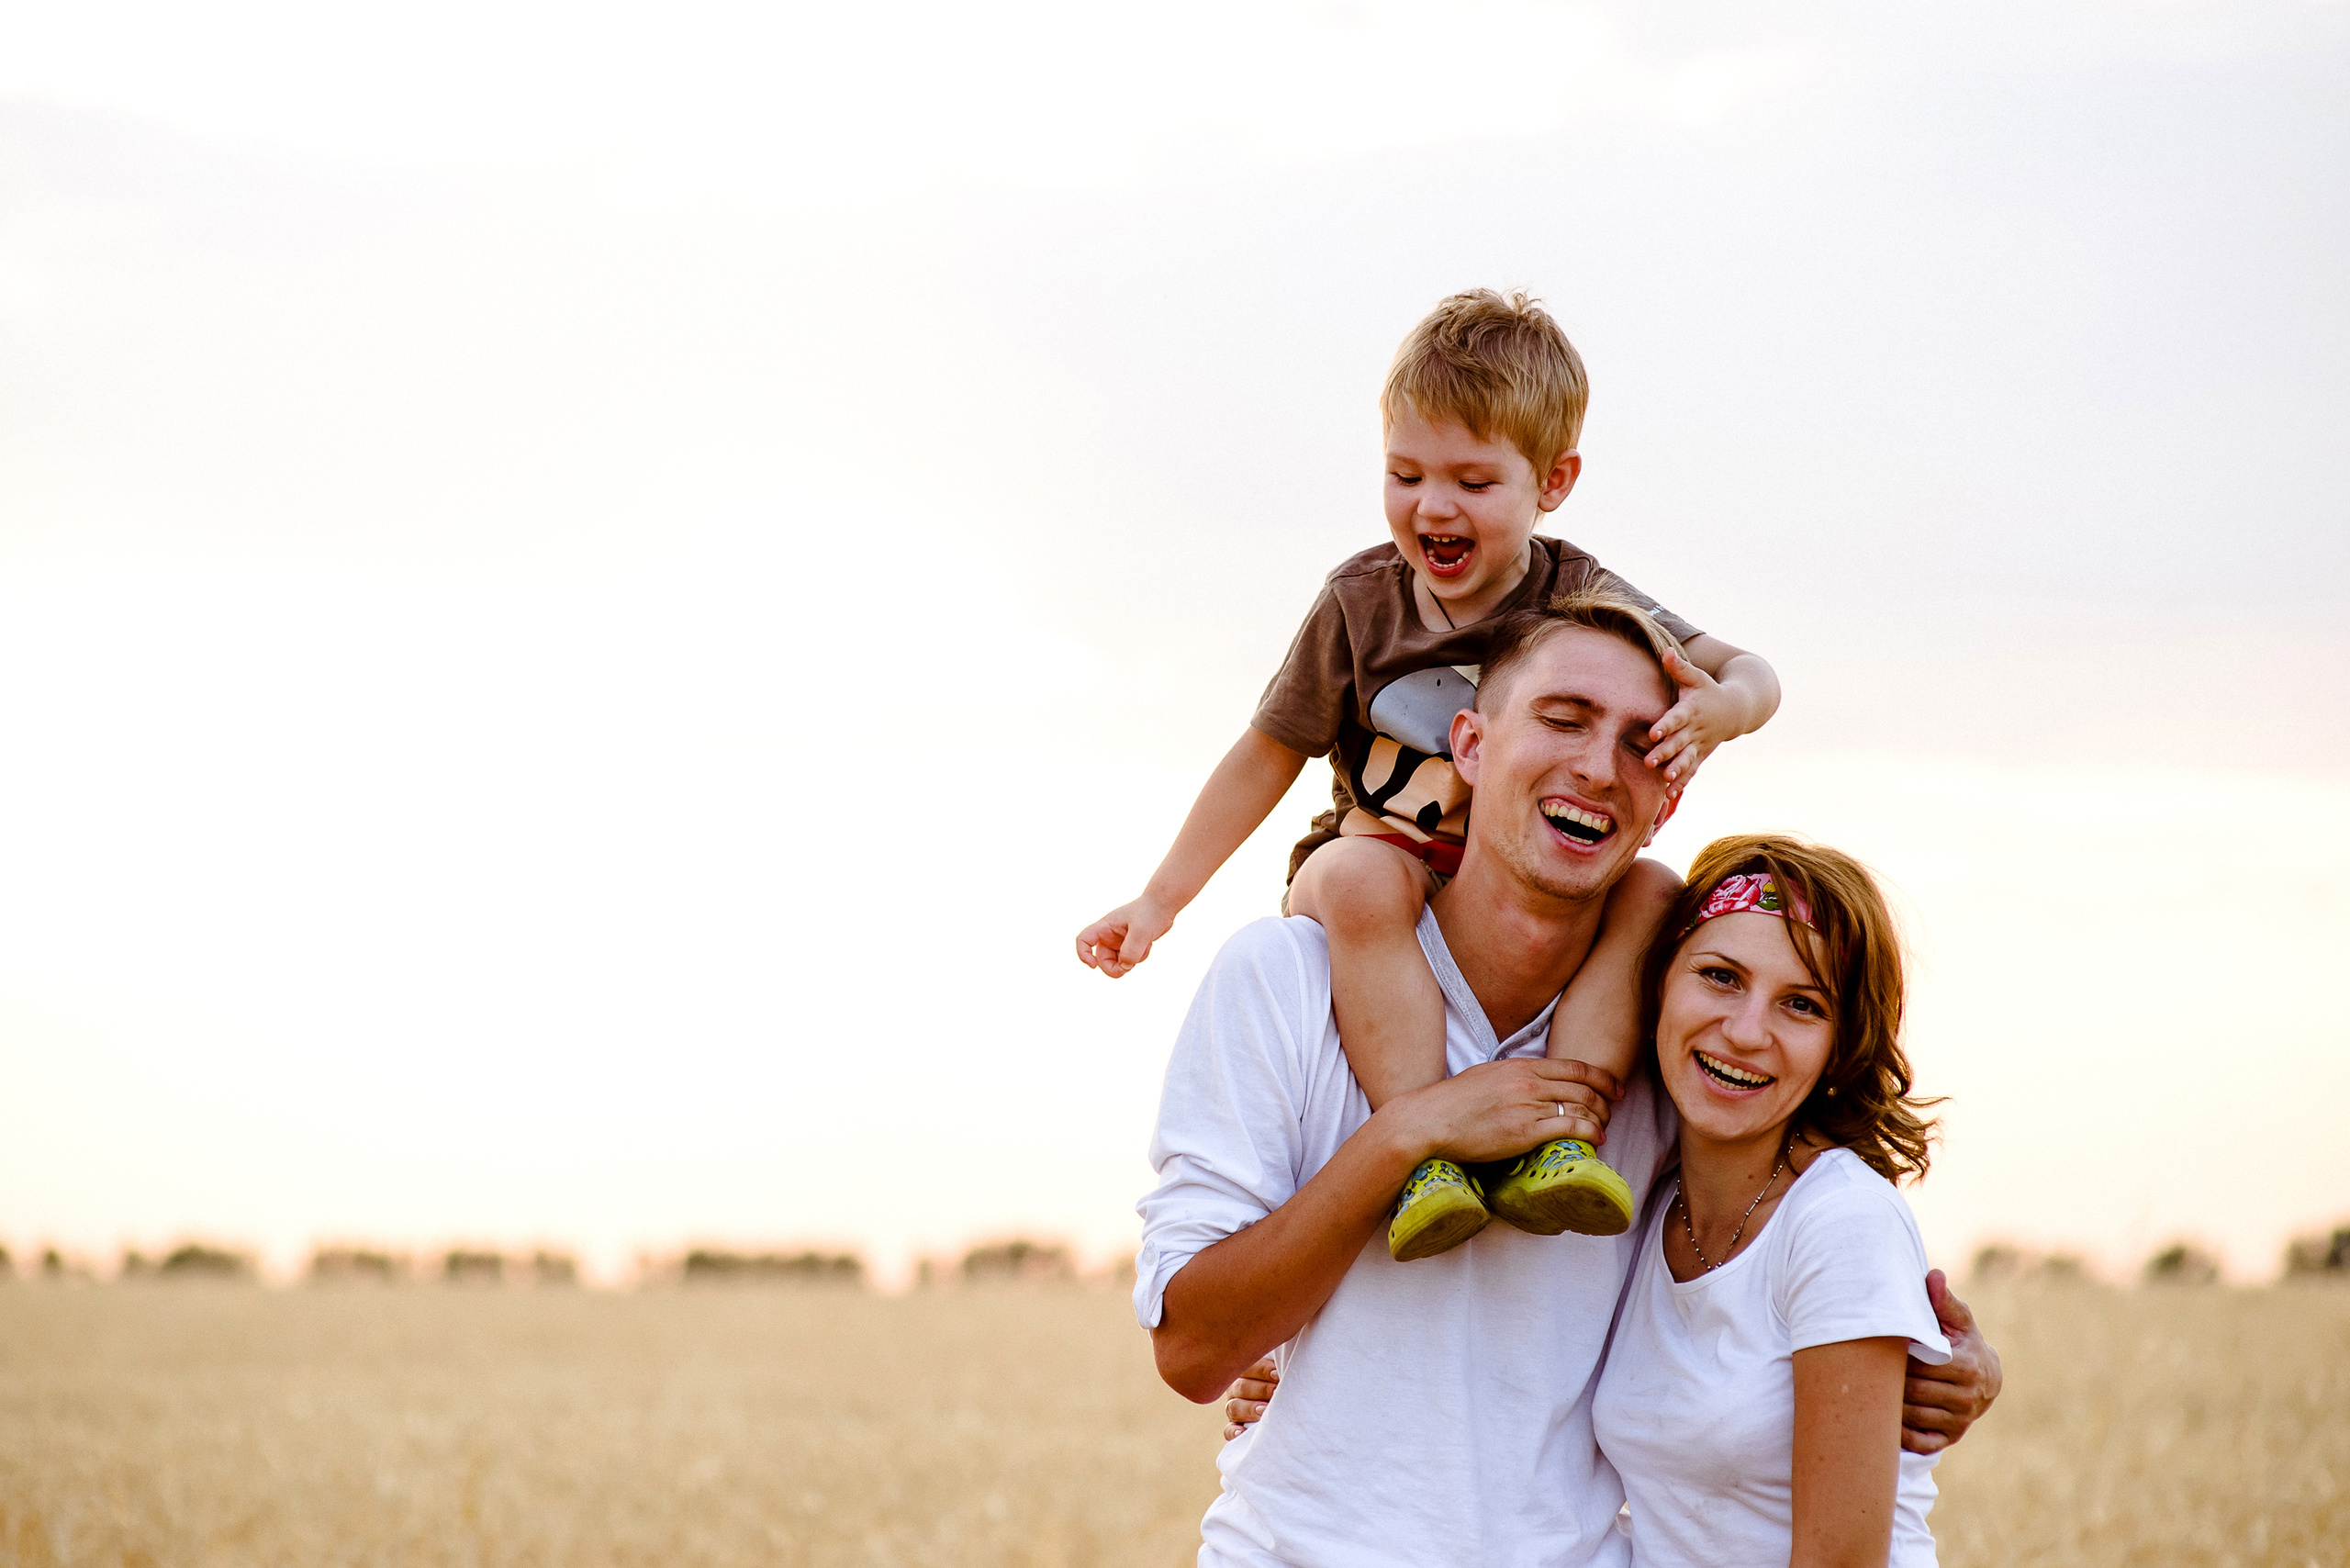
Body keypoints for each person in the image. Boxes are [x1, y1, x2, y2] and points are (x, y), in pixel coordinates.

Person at [1136, 585, 1999, 1566]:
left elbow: (1798, 1237)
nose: (1597, 766)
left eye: (1641, 742)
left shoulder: (1668, 1044)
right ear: (1467, 744)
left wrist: (1946, 1365)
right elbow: (1194, 1349)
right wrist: (1406, 1135)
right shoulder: (1284, 978)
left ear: (1669, 796)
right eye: (1563, 718)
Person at [1080, 288, 1785, 1262]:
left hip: (1514, 876)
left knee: (1653, 893)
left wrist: (1723, 708)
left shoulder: (1575, 593)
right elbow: (1266, 751)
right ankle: (1426, 1148)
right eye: (1404, 473)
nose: (1432, 506)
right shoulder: (1360, 601)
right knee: (1367, 878)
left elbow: (1751, 671)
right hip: (1369, 848)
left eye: (1472, 481)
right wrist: (1160, 900)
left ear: (1553, 481)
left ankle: (1556, 1140)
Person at [1222, 835, 1970, 1566]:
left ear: (1843, 1047)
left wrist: (1963, 1372)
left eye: (1802, 1005)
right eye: (1720, 977)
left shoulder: (1841, 1221)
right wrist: (1301, 1368)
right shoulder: (1647, 1203)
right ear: (1658, 986)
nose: (1746, 1032)